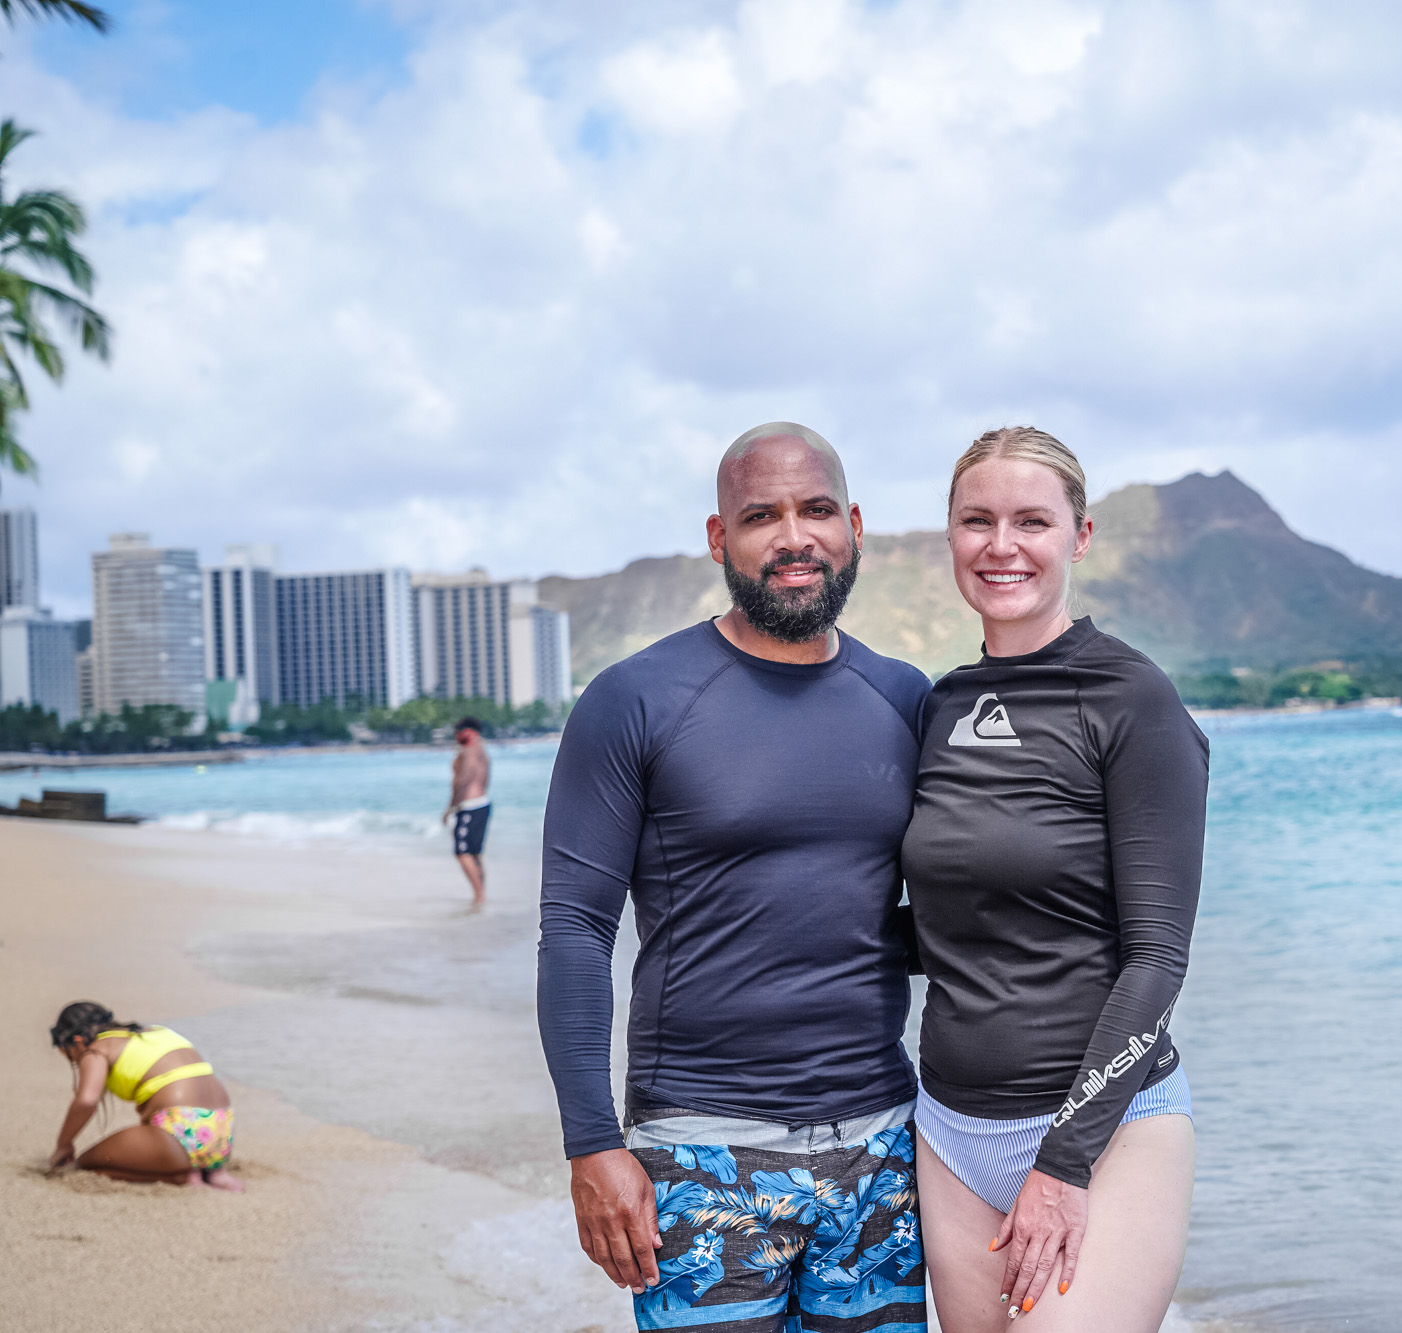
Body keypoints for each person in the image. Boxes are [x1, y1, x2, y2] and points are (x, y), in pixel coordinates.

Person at [539, 422, 932, 1332]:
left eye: (816, 509)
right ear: (720, 539)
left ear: (855, 526)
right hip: (700, 1151)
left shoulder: (906, 698)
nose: (793, 537)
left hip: (883, 1143)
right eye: (762, 515)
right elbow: (574, 927)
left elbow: (943, 908)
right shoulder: (637, 699)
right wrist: (592, 1142)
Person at [902, 427, 1207, 1331]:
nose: (1002, 545)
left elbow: (1157, 957)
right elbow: (953, 925)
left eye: (1031, 520)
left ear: (1078, 536)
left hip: (1107, 1134)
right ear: (950, 538)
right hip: (950, 1130)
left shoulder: (1130, 699)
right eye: (977, 520)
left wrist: (1064, 1163)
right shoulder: (942, 704)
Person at [46, 1001, 244, 1192]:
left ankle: (180, 1176)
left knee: (86, 1163)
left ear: (76, 1041)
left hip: (179, 1129)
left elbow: (87, 1100)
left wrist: (64, 1144)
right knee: (159, 1141)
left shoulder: (96, 1049)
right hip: (221, 1129)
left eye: (63, 1048)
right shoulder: (156, 1032)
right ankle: (213, 1171)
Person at [443, 716, 491, 907]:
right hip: (483, 803)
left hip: (469, 806)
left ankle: (479, 896)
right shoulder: (482, 750)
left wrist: (450, 808)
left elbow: (463, 778)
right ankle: (480, 895)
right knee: (475, 853)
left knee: (462, 852)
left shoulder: (469, 749)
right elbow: (485, 779)